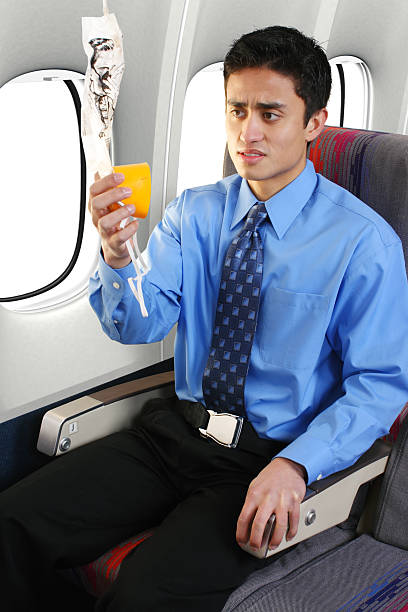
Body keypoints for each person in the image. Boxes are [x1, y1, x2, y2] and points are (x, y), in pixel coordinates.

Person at [1, 25, 408, 612]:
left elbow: (378, 387)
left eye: (271, 113)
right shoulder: (195, 213)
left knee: (146, 594)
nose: (248, 132)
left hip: (264, 459)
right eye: (236, 110)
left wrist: (296, 466)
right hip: (172, 434)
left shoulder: (363, 244)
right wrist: (118, 258)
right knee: (11, 524)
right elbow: (138, 326)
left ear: (314, 123)